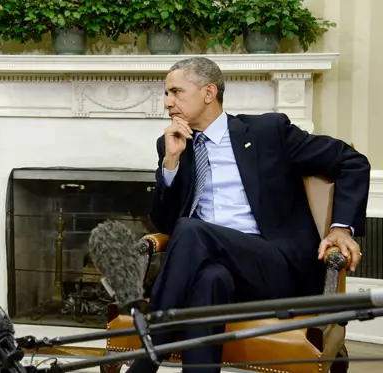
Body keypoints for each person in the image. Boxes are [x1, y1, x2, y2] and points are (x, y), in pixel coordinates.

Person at [127, 57, 370, 373]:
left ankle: (145, 359)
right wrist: (170, 164)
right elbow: (163, 222)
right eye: (166, 94)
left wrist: (341, 228)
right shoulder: (173, 144)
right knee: (208, 280)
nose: (166, 103)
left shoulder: (267, 132)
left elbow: (351, 162)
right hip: (216, 268)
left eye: (175, 92)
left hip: (275, 269)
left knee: (191, 229)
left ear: (208, 92)